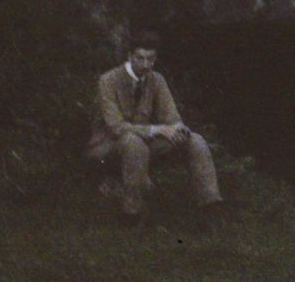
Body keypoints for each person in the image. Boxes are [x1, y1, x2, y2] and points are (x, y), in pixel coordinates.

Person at [87, 30, 222, 223]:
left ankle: (211, 205)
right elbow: (116, 127)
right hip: (108, 145)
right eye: (140, 58)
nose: (145, 64)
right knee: (134, 144)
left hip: (143, 142)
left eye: (150, 59)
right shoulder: (107, 81)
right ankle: (132, 212)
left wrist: (178, 129)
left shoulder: (156, 80)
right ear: (129, 56)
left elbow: (171, 116)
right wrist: (156, 130)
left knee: (195, 140)